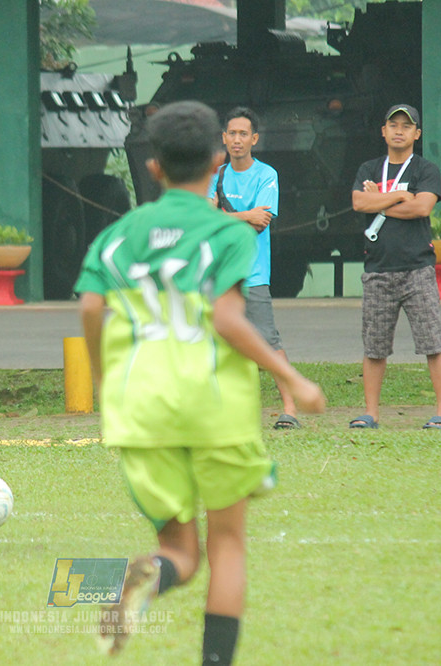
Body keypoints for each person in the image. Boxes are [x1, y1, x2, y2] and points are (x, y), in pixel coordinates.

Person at [76, 101, 325, 664]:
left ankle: (150, 575)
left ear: (153, 167)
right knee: (229, 543)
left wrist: (101, 376)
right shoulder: (226, 234)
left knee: (180, 551)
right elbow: (226, 317)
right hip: (215, 405)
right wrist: (292, 378)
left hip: (142, 406)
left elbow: (92, 307)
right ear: (218, 160)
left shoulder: (119, 237)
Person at [349, 104, 441, 429]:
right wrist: (399, 197)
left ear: (416, 134)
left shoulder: (426, 169)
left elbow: (422, 208)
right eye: (392, 125)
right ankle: (371, 413)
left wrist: (381, 198)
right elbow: (358, 203)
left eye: (406, 126)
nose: (398, 130)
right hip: (378, 269)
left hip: (417, 269)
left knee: (432, 342)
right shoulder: (369, 168)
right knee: (375, 345)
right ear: (383, 131)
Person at [209, 106, 300, 429]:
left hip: (253, 275)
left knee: (269, 343)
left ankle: (289, 409)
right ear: (223, 138)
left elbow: (262, 222)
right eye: (231, 133)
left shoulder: (266, 175)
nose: (237, 140)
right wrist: (245, 216)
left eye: (243, 134)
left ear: (254, 139)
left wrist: (229, 218)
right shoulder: (216, 176)